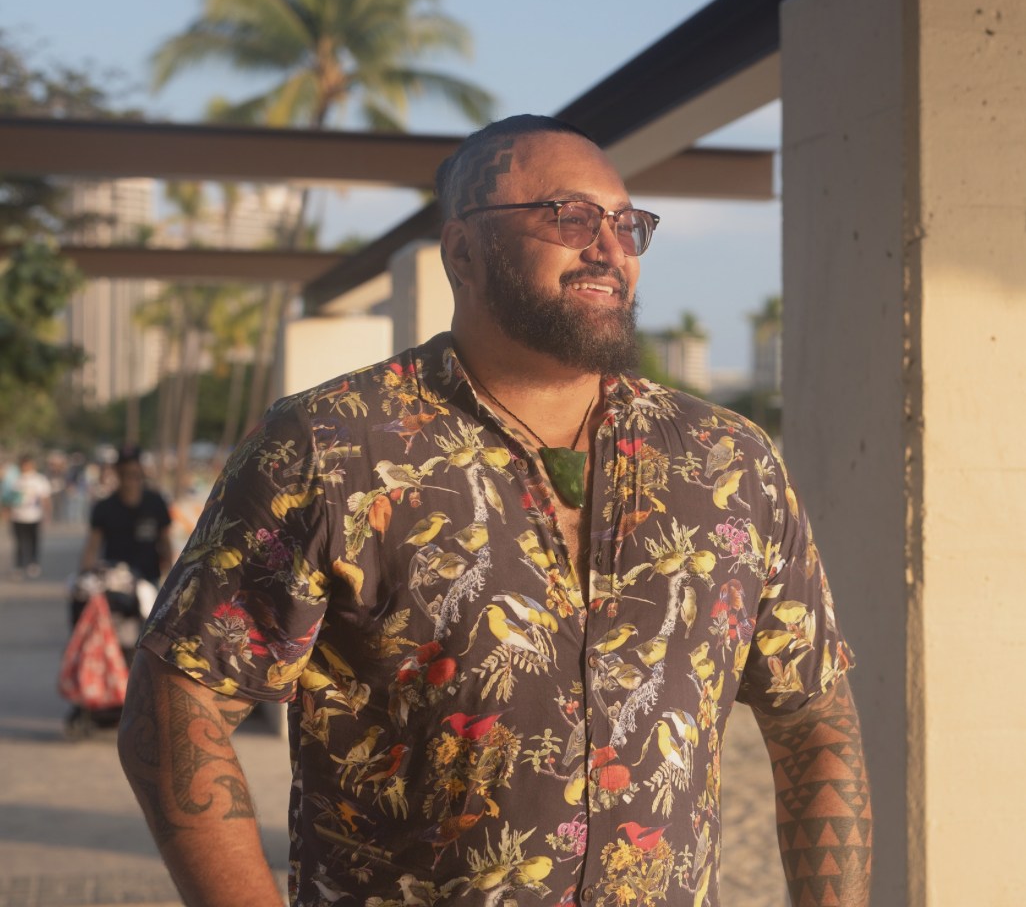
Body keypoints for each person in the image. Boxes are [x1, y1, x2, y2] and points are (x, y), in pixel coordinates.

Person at [119, 116, 871, 907]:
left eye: (627, 225)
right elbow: (178, 701)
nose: (608, 248)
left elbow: (814, 722)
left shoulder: (730, 462)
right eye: (568, 217)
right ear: (463, 252)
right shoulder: (334, 447)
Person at [80, 445, 172, 585]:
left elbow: (165, 541)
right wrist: (85, 575)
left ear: (141, 471)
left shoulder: (156, 502)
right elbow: (92, 545)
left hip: (148, 579)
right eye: (124, 473)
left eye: (133, 473)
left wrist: (171, 576)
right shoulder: (104, 507)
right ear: (117, 472)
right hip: (114, 582)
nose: (129, 479)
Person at [5, 455, 52, 579]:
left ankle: (33, 563)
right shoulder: (16, 480)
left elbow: (45, 498)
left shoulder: (39, 479)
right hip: (18, 517)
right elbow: (9, 499)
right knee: (19, 543)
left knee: (34, 541)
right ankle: (19, 566)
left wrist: (47, 514)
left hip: (34, 516)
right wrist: (7, 513)